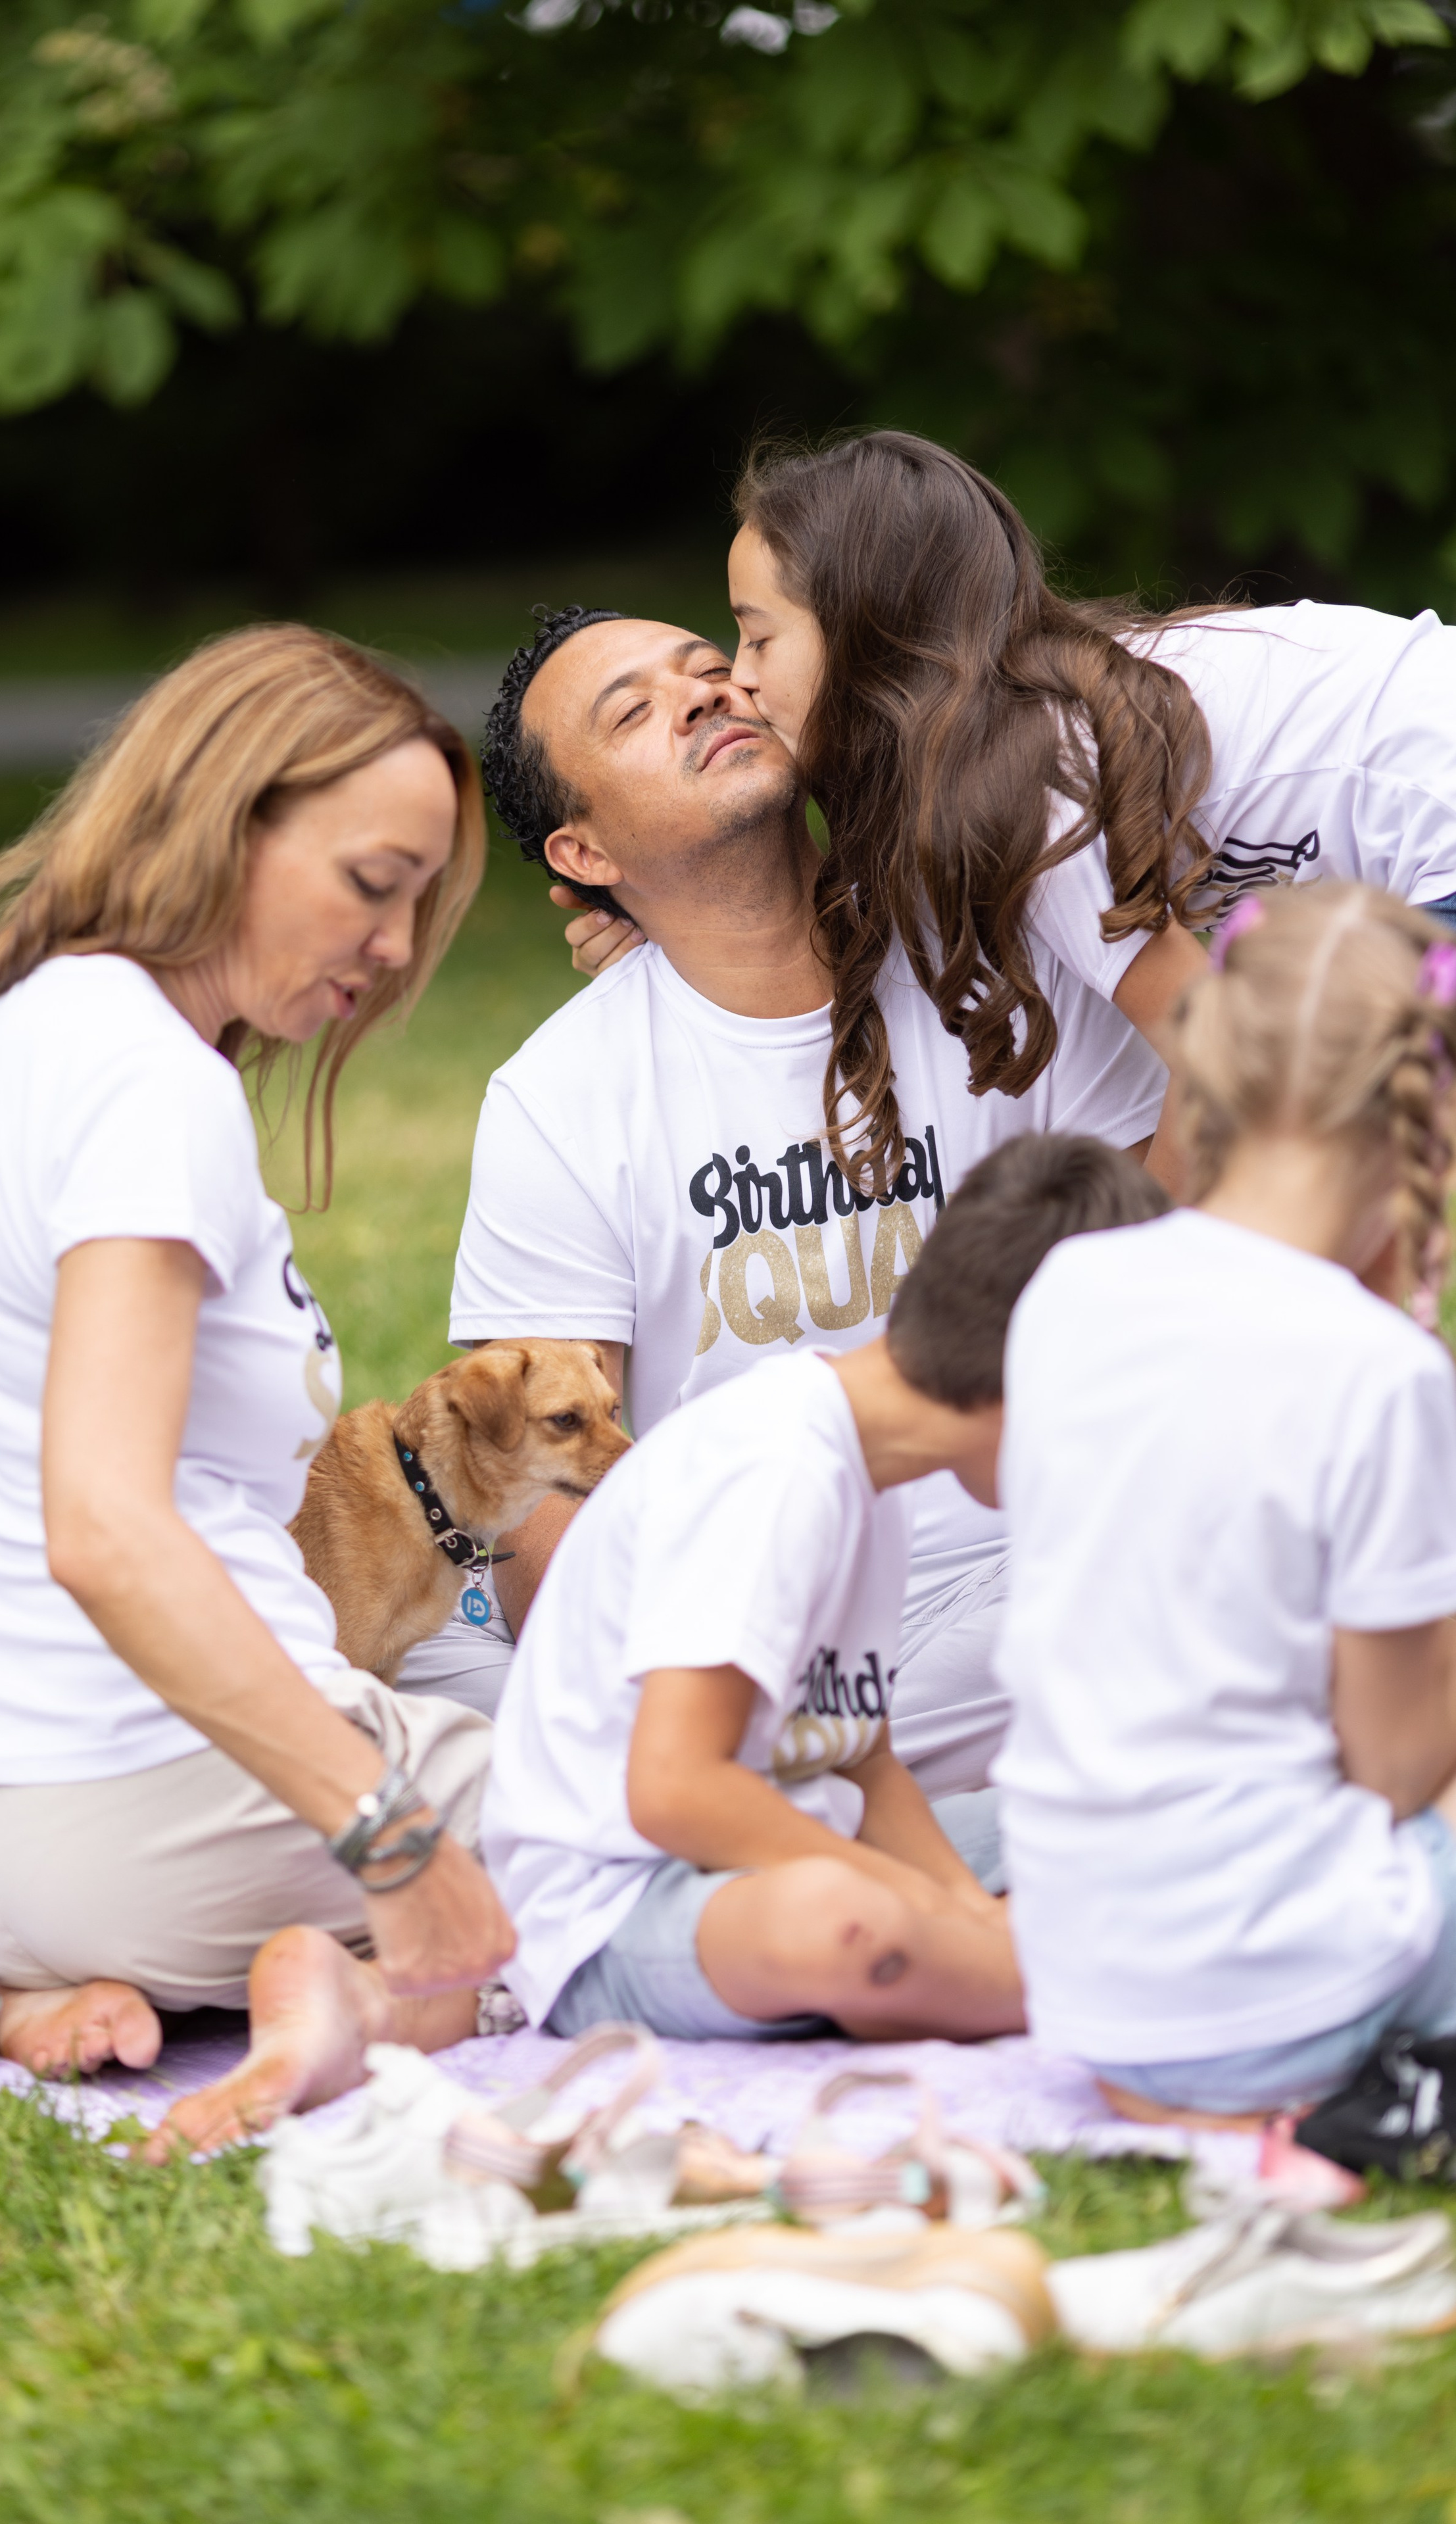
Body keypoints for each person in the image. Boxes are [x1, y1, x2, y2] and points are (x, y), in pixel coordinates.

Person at [0, 624, 514, 2160]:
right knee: (694, 1812)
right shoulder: (150, 1080)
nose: (401, 946)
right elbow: (105, 1528)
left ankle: (57, 1992)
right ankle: (326, 1980)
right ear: (228, 815)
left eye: (423, 899)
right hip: (161, 1810)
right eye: (372, 881)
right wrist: (389, 1830)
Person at [403, 608, 1167, 1782]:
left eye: (714, 668)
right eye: (635, 708)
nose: (704, 695)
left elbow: (1187, 1246)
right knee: (383, 1659)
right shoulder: (561, 1097)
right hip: (739, 1632)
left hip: (1032, 1564)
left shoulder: (1000, 951)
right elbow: (540, 1495)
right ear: (586, 854)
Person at [567, 431, 1456, 1185]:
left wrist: (1146, 1291)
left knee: (1333, 1145)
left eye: (759, 635)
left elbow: (1215, 1057)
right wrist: (670, 918)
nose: (744, 676)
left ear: (870, 631)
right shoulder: (1027, 723)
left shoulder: (1028, 787)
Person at [483, 1134, 1169, 2042]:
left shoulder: (871, 1477)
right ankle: (1096, 1984)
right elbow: (673, 1790)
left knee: (1146, 1812)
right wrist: (921, 1908)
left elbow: (860, 1757)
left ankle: (1003, 1965)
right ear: (1040, 1375)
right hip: (623, 1903)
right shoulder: (779, 1465)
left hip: (793, 1850)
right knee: (848, 1927)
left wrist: (958, 1906)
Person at [992, 883, 1456, 2122]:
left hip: (1101, 1994)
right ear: (1428, 1113)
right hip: (1288, 1997)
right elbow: (1400, 1764)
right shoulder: (1381, 1371)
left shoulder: (1071, 1289)